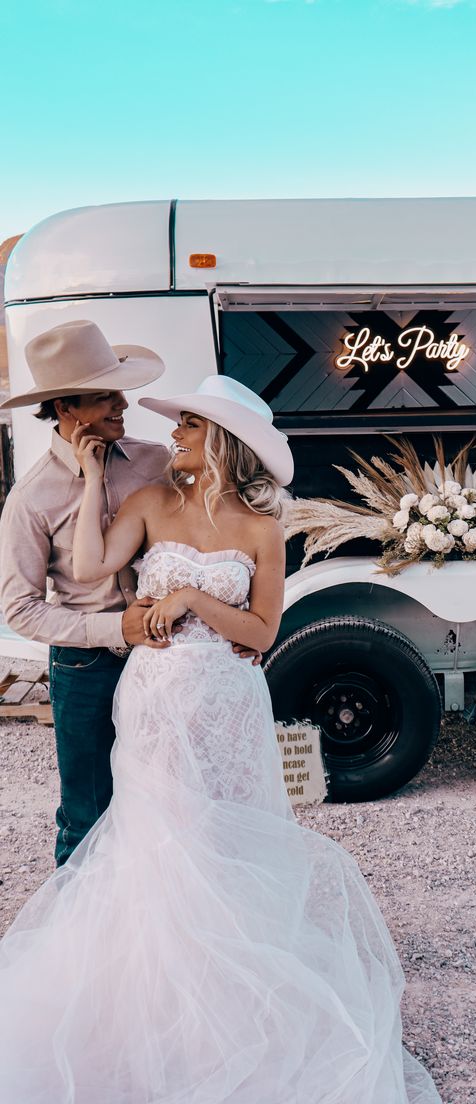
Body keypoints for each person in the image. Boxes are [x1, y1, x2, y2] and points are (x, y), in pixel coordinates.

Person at [0, 374, 441, 1103]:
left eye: (189, 426)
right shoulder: (144, 499)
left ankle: (234, 993)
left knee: (226, 836)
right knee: (152, 833)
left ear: (223, 444)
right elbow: (85, 569)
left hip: (229, 700)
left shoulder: (260, 527)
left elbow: (262, 633)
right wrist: (85, 478)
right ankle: (141, 1006)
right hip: (153, 693)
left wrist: (195, 598)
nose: (168, 431)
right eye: (175, 425)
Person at [0, 320, 261, 867]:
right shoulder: (32, 498)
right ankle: (83, 939)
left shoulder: (154, 462)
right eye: (105, 396)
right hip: (86, 668)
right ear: (66, 409)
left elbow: (220, 525)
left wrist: (241, 618)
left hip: (172, 664)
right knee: (88, 810)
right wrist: (112, 628)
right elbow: (17, 609)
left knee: (174, 805)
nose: (124, 402)